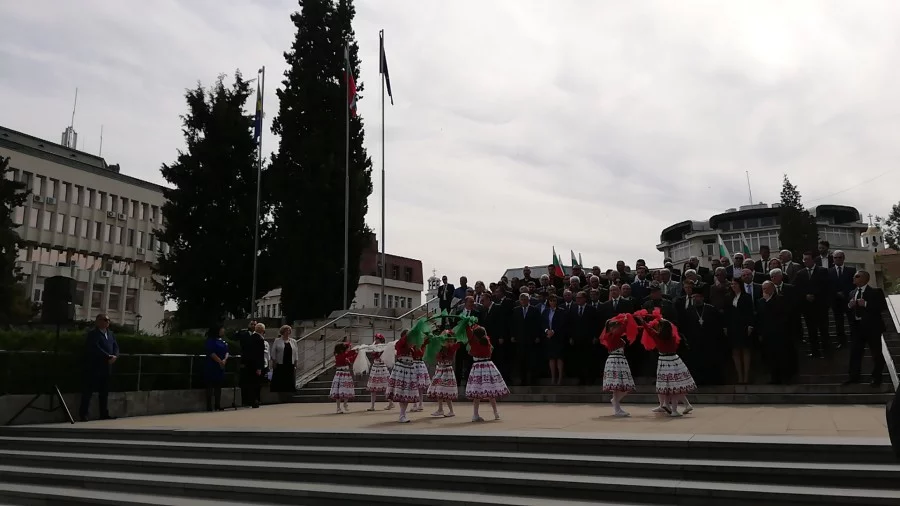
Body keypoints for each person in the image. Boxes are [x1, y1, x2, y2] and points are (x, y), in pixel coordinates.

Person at [637, 310, 696, 417]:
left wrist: (642, 321)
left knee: (666, 387)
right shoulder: (673, 337)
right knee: (676, 387)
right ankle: (674, 410)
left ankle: (666, 405)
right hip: (674, 360)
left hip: (663, 362)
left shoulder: (657, 336)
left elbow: (649, 329)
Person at [845, 270, 887, 386]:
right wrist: (850, 305)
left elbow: (882, 307)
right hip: (857, 328)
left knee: (876, 353)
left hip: (872, 328)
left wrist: (866, 304)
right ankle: (854, 377)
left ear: (865, 279)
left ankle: (876, 377)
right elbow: (848, 310)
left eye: (857, 276)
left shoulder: (875, 292)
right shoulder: (852, 293)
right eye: (854, 276)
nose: (854, 278)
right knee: (855, 353)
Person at [465, 325, 510, 421]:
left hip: (477, 367)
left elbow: (468, 333)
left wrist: (467, 323)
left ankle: (475, 414)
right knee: (491, 391)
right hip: (488, 366)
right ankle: (496, 413)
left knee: (477, 393)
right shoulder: (487, 342)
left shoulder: (474, 342)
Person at [79, 313, 118, 421]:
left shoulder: (111, 334)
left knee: (104, 392)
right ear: (97, 321)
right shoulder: (93, 334)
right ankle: (83, 414)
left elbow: (115, 346)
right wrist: (108, 356)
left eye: (108, 320)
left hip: (107, 367)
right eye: (104, 320)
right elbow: (94, 347)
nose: (106, 322)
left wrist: (115, 356)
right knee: (88, 391)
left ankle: (104, 413)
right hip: (94, 367)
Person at [600, 313, 638, 417]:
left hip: (619, 360)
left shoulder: (613, 335)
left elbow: (624, 330)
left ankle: (617, 406)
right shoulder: (612, 335)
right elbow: (622, 329)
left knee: (620, 386)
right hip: (616, 360)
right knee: (620, 386)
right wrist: (626, 319)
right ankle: (616, 405)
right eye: (615, 326)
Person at [756, 281, 790, 384]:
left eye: (766, 288)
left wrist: (768, 302)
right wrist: (760, 333)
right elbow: (760, 318)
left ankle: (784, 377)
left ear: (772, 289)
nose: (764, 290)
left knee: (781, 356)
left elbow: (780, 314)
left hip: (779, 333)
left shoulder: (780, 299)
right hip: (767, 334)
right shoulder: (761, 301)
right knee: (770, 357)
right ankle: (773, 377)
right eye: (763, 289)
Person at [725, 277, 755, 385]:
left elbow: (750, 312)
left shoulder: (746, 297)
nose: (733, 286)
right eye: (732, 284)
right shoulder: (729, 297)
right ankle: (739, 376)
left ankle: (746, 376)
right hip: (733, 327)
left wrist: (750, 325)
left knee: (745, 350)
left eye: (735, 284)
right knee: (735, 351)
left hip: (744, 326)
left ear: (740, 285)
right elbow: (727, 314)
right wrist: (726, 327)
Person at [386, 330, 418, 423]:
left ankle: (402, 414)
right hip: (401, 368)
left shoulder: (411, 348)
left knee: (406, 392)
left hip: (409, 369)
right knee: (401, 391)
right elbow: (402, 342)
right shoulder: (400, 343)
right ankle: (402, 414)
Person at [427, 335, 460, 417]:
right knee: (439, 390)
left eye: (447, 341)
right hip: (440, 370)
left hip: (447, 370)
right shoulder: (440, 349)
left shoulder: (451, 349)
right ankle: (440, 409)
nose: (445, 342)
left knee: (445, 391)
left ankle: (451, 411)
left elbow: (457, 344)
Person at [541, 294, 567, 385]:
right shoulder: (545, 311)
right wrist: (547, 330)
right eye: (551, 301)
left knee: (559, 358)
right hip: (549, 337)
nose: (552, 302)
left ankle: (560, 378)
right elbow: (543, 323)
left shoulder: (561, 311)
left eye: (554, 300)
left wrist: (554, 331)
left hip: (558, 337)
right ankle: (553, 378)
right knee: (551, 358)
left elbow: (563, 323)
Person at [203, 325, 229, 411]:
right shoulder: (211, 341)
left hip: (220, 366)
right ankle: (209, 406)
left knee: (218, 386)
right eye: (222, 329)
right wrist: (219, 361)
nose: (223, 330)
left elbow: (227, 351)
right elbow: (211, 352)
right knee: (210, 386)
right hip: (212, 365)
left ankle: (218, 404)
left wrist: (225, 359)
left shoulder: (222, 341)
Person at [365, 334, 393, 411]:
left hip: (381, 367)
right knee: (373, 387)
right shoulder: (374, 346)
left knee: (386, 386)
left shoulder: (384, 347)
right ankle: (372, 406)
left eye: (377, 339)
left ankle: (390, 402)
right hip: (375, 366)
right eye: (376, 339)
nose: (376, 340)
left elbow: (383, 355)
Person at [329, 342, 358, 413]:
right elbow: (349, 354)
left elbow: (350, 356)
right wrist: (356, 352)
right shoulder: (341, 355)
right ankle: (340, 406)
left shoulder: (341, 355)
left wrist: (355, 353)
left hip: (342, 373)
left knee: (344, 389)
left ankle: (342, 405)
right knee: (341, 390)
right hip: (342, 373)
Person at [269, 325, 298, 394]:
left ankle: (289, 392)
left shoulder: (293, 341)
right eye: (286, 330)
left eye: (288, 330)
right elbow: (273, 352)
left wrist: (296, 362)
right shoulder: (277, 340)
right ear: (282, 332)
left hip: (290, 362)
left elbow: (296, 353)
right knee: (280, 378)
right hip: (280, 362)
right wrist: (274, 361)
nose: (287, 332)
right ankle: (280, 392)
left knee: (289, 378)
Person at [411, 341, 430, 413]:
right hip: (413, 364)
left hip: (419, 364)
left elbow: (421, 354)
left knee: (420, 387)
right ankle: (415, 404)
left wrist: (418, 346)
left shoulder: (422, 344)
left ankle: (420, 404)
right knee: (414, 386)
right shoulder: (412, 345)